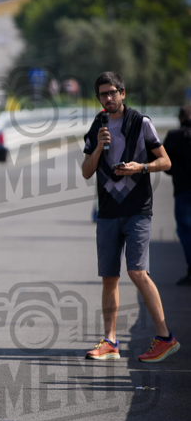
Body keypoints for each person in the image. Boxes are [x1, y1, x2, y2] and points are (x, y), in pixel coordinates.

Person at [81, 71, 179, 363]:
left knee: (137, 272)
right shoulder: (97, 125)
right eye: (103, 94)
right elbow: (87, 171)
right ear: (98, 98)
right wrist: (98, 146)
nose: (108, 98)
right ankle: (110, 342)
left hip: (137, 209)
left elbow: (166, 161)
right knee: (109, 277)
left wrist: (140, 167)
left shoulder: (141, 122)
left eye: (112, 92)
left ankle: (165, 338)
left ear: (122, 93)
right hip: (108, 211)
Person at [163, 106, 191, 285]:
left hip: (183, 190)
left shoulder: (174, 136)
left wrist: (177, 171)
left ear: (180, 119)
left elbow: (161, 162)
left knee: (186, 231)